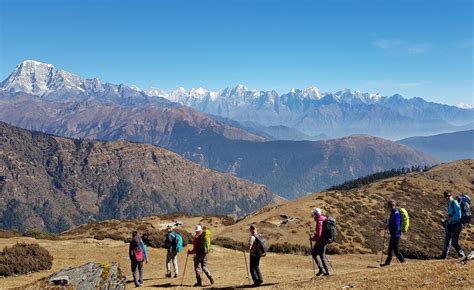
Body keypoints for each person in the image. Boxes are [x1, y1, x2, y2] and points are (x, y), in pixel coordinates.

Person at [439, 191, 465, 259]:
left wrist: (450, 219)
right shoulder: (450, 204)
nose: (447, 198)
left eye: (448, 196)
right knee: (447, 241)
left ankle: (462, 256)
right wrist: (446, 220)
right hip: (450, 224)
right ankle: (444, 257)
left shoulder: (454, 203)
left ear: (450, 195)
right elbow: (450, 214)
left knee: (454, 242)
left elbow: (459, 216)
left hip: (456, 225)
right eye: (446, 197)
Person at [380, 199, 405, 266]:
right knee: (390, 250)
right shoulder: (393, 212)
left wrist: (391, 228)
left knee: (396, 251)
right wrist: (388, 225)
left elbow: (396, 224)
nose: (387, 208)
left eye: (388, 206)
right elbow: (393, 222)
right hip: (394, 234)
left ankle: (404, 263)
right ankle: (387, 263)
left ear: (390, 206)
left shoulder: (395, 213)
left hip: (395, 234)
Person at [310, 208, 330, 276]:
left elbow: (319, 234)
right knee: (322, 255)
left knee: (316, 254)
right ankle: (325, 271)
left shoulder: (319, 221)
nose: (313, 216)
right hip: (325, 240)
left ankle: (324, 270)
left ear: (316, 214)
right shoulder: (324, 218)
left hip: (321, 241)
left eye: (314, 214)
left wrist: (313, 239)